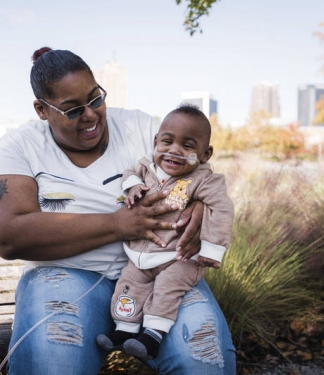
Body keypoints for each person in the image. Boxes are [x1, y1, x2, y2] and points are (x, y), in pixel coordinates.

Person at [0, 46, 236, 375]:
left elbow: (194, 164)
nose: (90, 115)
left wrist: (201, 205)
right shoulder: (19, 147)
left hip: (163, 271)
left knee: (203, 360)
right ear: (42, 110)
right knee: (54, 364)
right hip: (64, 276)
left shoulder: (140, 128)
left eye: (95, 99)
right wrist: (118, 225)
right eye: (72, 109)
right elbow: (8, 236)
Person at [96, 105, 234, 361]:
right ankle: (124, 330)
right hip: (139, 255)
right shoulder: (146, 167)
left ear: (205, 154)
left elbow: (223, 209)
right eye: (167, 141)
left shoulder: (204, 180)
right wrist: (134, 186)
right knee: (129, 286)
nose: (174, 150)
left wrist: (212, 249)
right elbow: (130, 174)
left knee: (167, 288)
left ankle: (153, 335)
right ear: (156, 142)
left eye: (187, 146)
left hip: (179, 257)